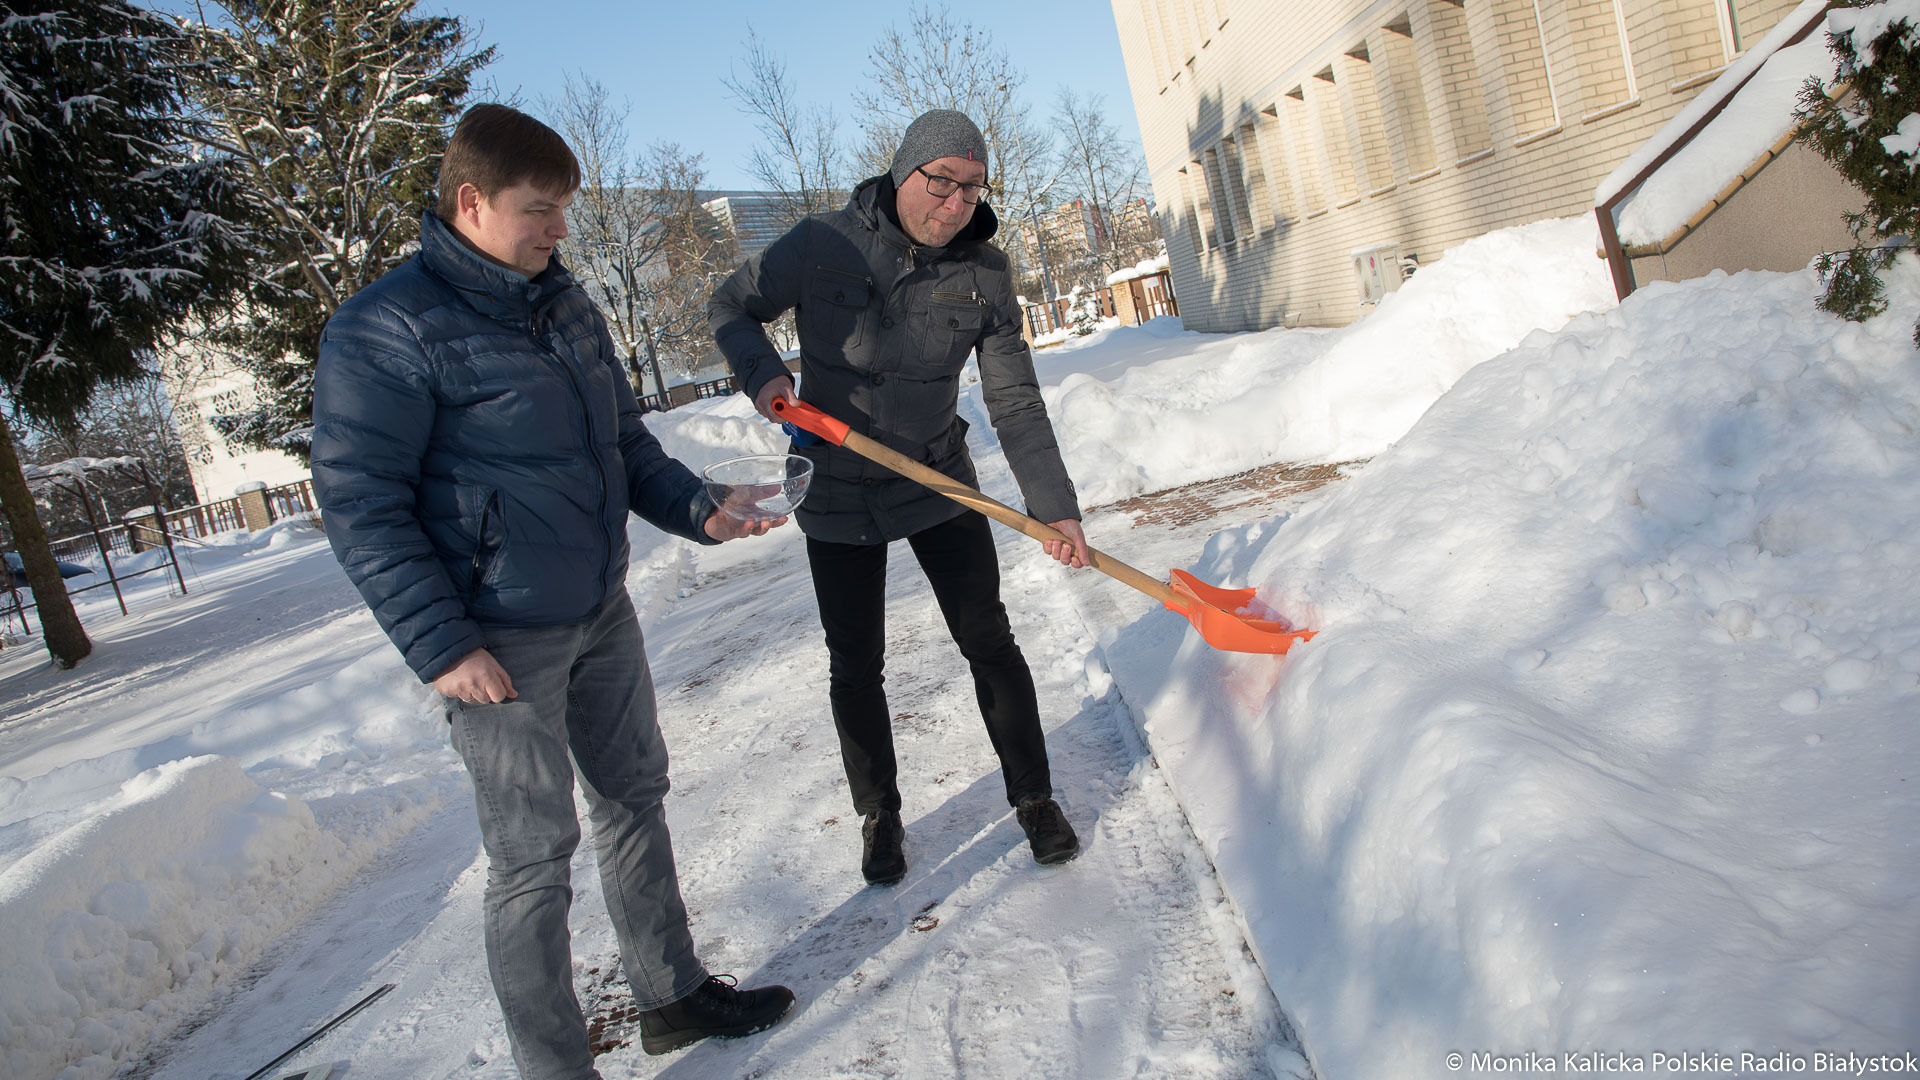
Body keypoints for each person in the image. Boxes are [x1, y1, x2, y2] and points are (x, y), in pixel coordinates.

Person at [310, 104, 792, 1077]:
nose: (559, 230)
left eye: (566, 209)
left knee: (634, 799)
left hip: (600, 610)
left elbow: (621, 446)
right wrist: (442, 645)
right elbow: (361, 502)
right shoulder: (387, 329)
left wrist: (700, 508)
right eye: (540, 209)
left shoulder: (566, 305)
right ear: (471, 202)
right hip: (496, 641)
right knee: (532, 860)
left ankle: (670, 995)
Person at [709, 108, 1087, 887]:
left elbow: (1014, 400)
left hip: (936, 478)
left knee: (988, 639)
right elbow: (730, 304)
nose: (954, 203)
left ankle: (1035, 798)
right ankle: (879, 815)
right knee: (855, 664)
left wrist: (1055, 506)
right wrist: (763, 376)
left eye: (971, 187)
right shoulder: (821, 243)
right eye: (939, 182)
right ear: (902, 170)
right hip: (834, 482)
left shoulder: (984, 271)